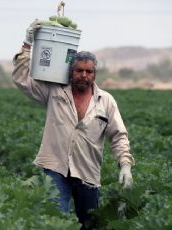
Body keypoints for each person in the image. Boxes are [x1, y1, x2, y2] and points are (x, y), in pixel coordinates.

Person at [12, 20, 135, 229]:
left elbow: (118, 135)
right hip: (55, 168)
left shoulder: (106, 101)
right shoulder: (54, 91)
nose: (84, 75)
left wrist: (125, 164)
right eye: (79, 70)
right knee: (55, 222)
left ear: (95, 74)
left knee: (87, 224)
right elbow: (21, 79)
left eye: (89, 71)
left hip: (87, 173)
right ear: (71, 71)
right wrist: (27, 44)